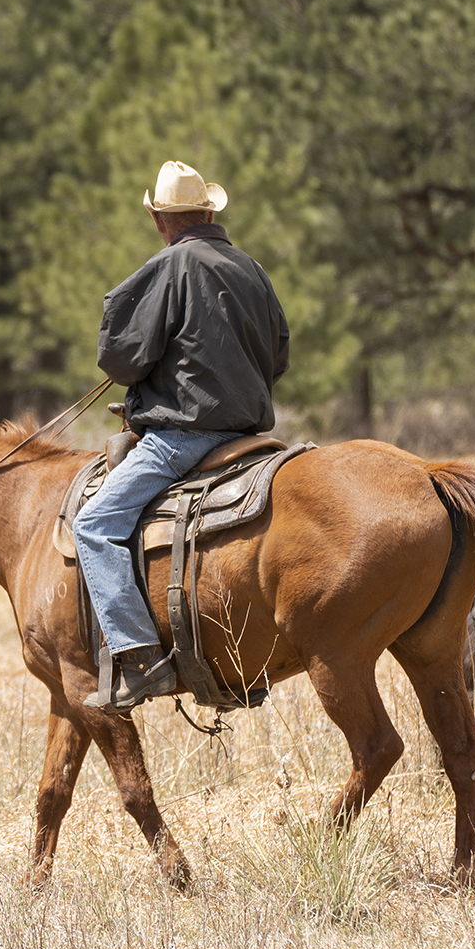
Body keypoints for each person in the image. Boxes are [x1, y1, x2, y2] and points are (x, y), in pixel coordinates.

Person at [78, 160, 289, 712]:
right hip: (248, 438)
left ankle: (139, 658)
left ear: (159, 219)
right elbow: (280, 355)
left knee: (95, 525)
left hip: (186, 438)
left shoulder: (169, 266)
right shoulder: (251, 268)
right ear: (209, 211)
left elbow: (120, 358)